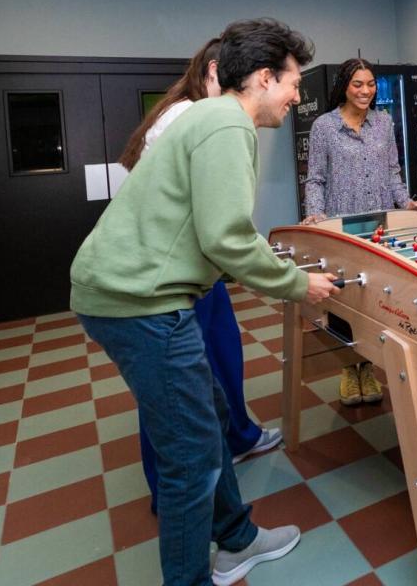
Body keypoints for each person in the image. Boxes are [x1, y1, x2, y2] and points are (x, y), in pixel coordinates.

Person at [71, 18, 340, 586]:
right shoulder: (226, 124)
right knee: (191, 460)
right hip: (141, 304)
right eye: (294, 84)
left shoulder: (206, 115)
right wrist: (298, 284)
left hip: (134, 293)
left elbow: (215, 230)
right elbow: (226, 237)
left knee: (211, 416)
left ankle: (237, 538)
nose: (297, 97)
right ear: (264, 78)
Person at [117, 38, 282, 514]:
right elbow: (220, 223)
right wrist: (285, 277)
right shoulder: (191, 116)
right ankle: (171, 493)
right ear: (216, 72)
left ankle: (239, 436)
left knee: (223, 351)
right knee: (173, 387)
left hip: (194, 270)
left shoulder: (199, 114)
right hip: (167, 276)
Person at [300, 58, 417, 406]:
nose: (366, 90)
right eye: (358, 84)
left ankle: (369, 368)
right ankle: (349, 369)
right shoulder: (324, 127)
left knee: (375, 299)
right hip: (341, 226)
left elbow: (393, 172)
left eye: (371, 84)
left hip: (380, 227)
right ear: (345, 86)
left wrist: (408, 202)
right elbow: (315, 179)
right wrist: (315, 214)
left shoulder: (384, 122)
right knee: (344, 300)